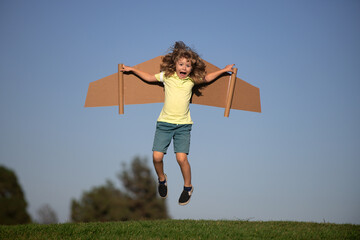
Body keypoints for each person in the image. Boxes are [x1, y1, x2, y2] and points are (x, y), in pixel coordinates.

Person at [121, 41, 234, 205]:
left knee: (181, 159)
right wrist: (132, 70)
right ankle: (162, 179)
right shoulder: (167, 77)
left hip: (183, 126)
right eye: (181, 64)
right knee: (156, 157)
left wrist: (224, 70)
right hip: (164, 124)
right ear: (174, 65)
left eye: (188, 65)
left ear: (192, 68)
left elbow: (208, 78)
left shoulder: (192, 80)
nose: (184, 68)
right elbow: (149, 77)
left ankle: (188, 187)